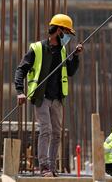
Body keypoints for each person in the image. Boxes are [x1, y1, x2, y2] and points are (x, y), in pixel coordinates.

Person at [14, 14, 83, 177]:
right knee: (46, 130)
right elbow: (20, 69)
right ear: (58, 30)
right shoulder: (37, 48)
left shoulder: (64, 50)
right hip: (41, 97)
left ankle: (52, 167)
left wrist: (76, 56)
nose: (68, 37)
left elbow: (71, 72)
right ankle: (43, 166)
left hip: (57, 98)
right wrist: (20, 92)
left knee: (57, 133)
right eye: (66, 33)